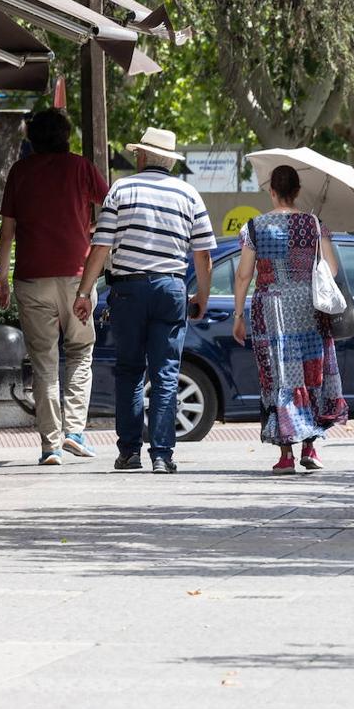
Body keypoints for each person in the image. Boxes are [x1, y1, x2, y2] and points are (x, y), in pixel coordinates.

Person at [72, 127, 215, 474]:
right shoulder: (189, 194)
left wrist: (84, 292)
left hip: (128, 291)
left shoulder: (122, 189)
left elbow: (101, 245)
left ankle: (130, 452)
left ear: (140, 156)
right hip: (170, 288)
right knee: (166, 373)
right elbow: (203, 255)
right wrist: (202, 297)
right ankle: (163, 454)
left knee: (130, 371)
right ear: (169, 160)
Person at [0, 109, 110, 466]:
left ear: (32, 138)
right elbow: (111, 206)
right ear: (66, 136)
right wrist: (90, 235)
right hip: (78, 277)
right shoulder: (80, 167)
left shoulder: (20, 172)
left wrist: (1, 276)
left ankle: (51, 445)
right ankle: (75, 431)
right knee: (80, 351)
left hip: (31, 279)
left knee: (44, 361)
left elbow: (7, 230)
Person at [231, 165, 349, 474]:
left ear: (272, 191)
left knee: (279, 376)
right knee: (312, 374)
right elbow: (332, 270)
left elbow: (244, 275)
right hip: (309, 308)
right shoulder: (313, 224)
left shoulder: (254, 227)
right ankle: (311, 448)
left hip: (270, 310)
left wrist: (238, 315)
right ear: (297, 191)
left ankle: (286, 455)